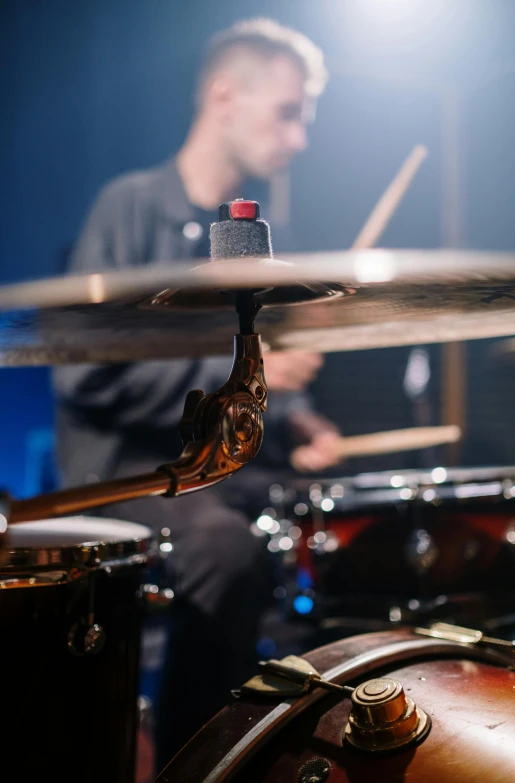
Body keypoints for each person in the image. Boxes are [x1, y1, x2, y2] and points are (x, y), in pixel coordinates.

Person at [52, 17, 341, 771]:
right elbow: (83, 373)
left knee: (341, 522)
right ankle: (199, 760)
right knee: (223, 548)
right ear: (223, 94)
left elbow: (250, 378)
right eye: (288, 110)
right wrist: (251, 369)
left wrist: (300, 420)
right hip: (131, 475)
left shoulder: (249, 238)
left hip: (224, 474)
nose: (300, 137)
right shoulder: (130, 205)